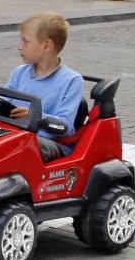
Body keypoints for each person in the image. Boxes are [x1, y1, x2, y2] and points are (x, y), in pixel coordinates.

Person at [6, 12, 86, 162]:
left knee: (22, 143)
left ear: (47, 45)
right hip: (17, 135)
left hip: (52, 143)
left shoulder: (72, 80)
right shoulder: (19, 73)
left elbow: (64, 126)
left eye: (25, 41)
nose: (19, 46)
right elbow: (3, 103)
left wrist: (35, 117)